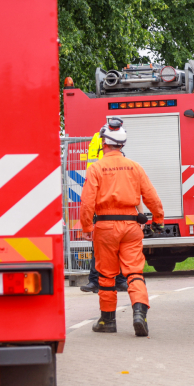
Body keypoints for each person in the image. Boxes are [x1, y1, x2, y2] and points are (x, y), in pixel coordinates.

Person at [80, 124, 164, 335]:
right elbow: (151, 196)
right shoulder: (134, 167)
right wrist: (158, 219)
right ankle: (139, 313)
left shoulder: (96, 168)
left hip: (105, 227)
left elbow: (87, 201)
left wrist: (87, 226)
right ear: (122, 144)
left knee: (106, 275)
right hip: (131, 226)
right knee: (134, 271)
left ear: (104, 143)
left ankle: (107, 321)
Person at [81, 117, 129, 293]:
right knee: (99, 248)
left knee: (116, 248)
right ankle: (96, 281)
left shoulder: (119, 155)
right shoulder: (99, 143)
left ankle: (118, 281)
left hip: (111, 205)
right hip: (100, 204)